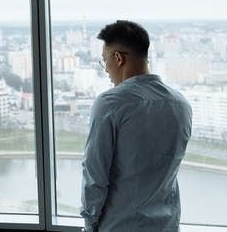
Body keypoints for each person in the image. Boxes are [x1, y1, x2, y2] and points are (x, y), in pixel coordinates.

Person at [81, 20, 192, 232]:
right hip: (166, 226)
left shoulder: (110, 104)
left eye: (105, 61)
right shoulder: (181, 105)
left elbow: (95, 176)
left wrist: (90, 224)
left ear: (118, 58)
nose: (106, 71)